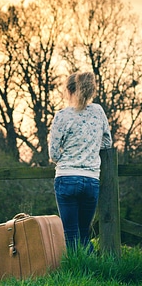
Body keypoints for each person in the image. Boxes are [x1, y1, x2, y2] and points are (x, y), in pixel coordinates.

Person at [48, 71, 112, 253]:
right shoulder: (98, 111)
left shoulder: (61, 116)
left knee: (70, 234)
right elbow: (107, 143)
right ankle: (92, 270)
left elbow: (53, 154)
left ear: (68, 90)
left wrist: (68, 160)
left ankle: (75, 271)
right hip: (91, 180)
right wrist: (89, 149)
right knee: (85, 233)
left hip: (66, 178)